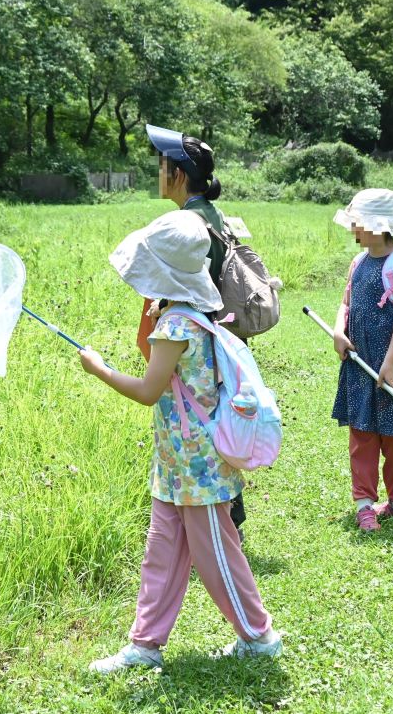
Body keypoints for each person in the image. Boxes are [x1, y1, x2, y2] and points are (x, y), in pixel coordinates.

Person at [80, 210, 282, 672]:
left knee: (218, 557)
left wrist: (99, 369)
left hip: (198, 470)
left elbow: (150, 390)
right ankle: (145, 644)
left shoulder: (175, 326)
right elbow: (167, 376)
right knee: (162, 553)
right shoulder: (191, 315)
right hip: (177, 464)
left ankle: (259, 635)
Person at [138, 124, 248, 540]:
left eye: (162, 166)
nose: (158, 172)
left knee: (201, 429)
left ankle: (219, 529)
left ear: (179, 175)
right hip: (215, 340)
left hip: (190, 346)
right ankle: (221, 523)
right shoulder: (212, 215)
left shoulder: (185, 225)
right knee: (219, 426)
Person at [331, 189, 393, 532]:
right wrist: (339, 331)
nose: (353, 230)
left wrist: (390, 361)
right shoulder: (358, 263)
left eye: (357, 224)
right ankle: (364, 504)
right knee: (362, 434)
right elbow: (345, 303)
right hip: (358, 362)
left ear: (377, 226)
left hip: (392, 364)